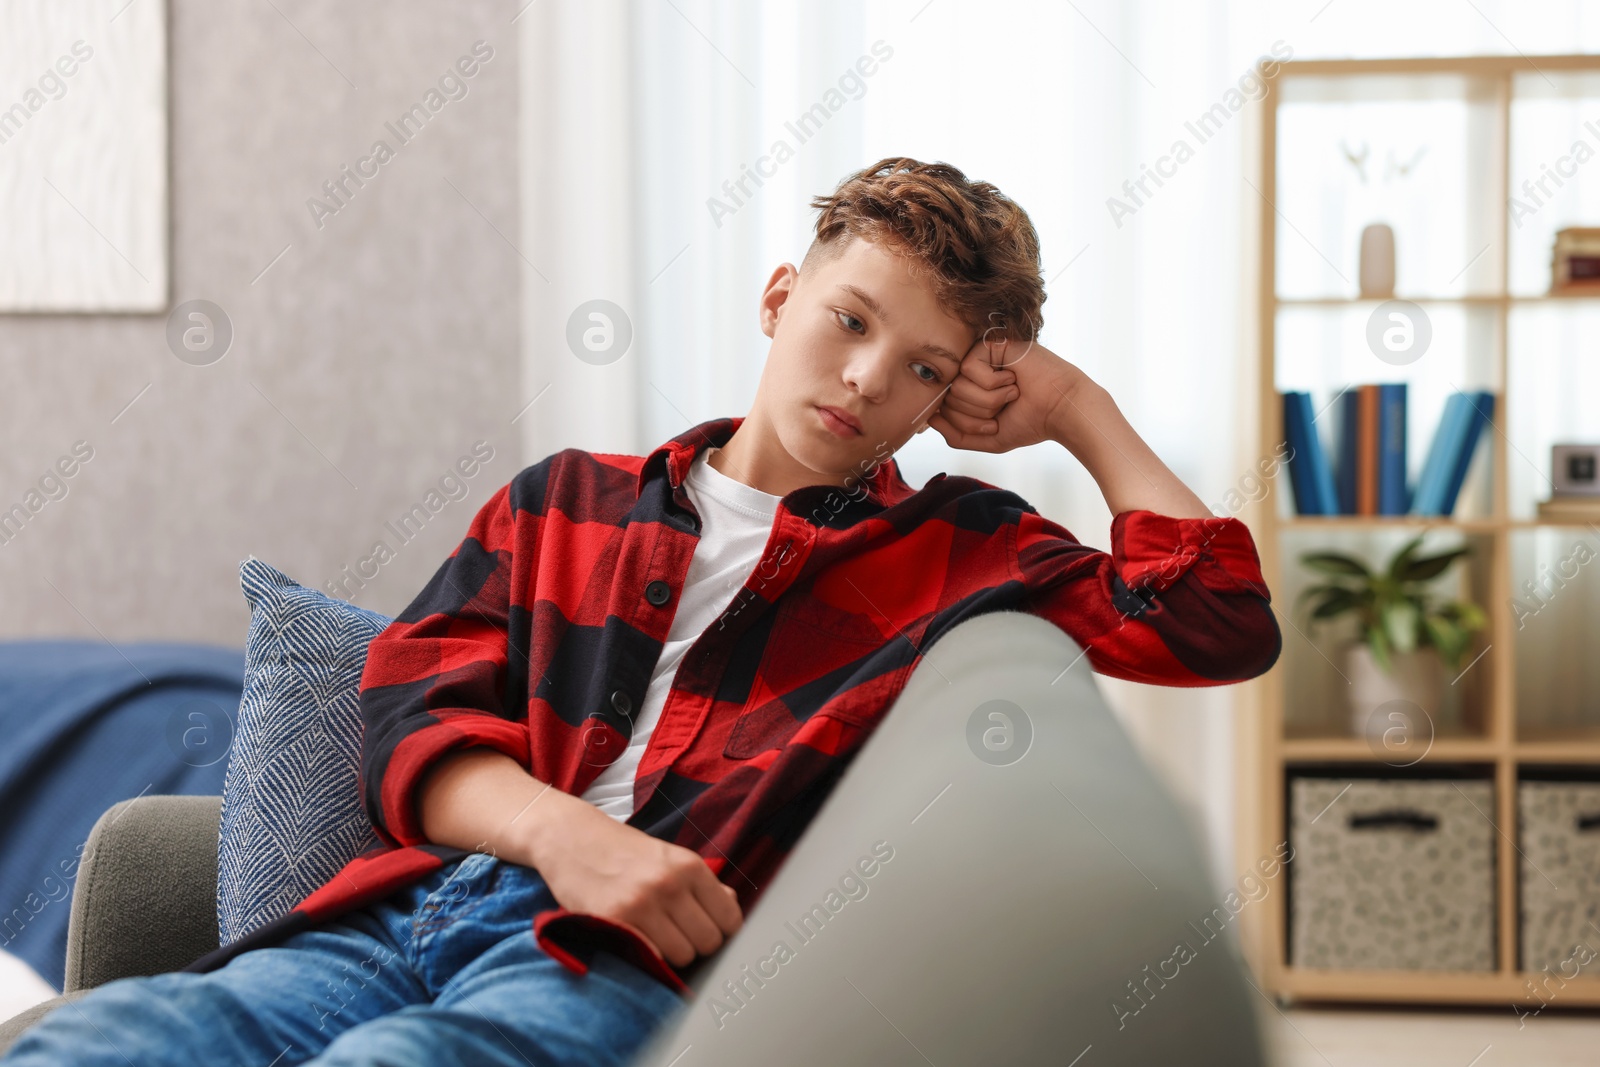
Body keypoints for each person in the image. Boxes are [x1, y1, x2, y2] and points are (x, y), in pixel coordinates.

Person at [1, 157, 1281, 1066]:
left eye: (922, 370)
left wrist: (1072, 406)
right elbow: (404, 714)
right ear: (780, 297)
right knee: (104, 1039)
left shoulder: (954, 548)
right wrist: (567, 835)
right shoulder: (565, 501)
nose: (863, 378)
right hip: (407, 909)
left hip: (607, 966)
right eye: (848, 320)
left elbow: (1220, 622)